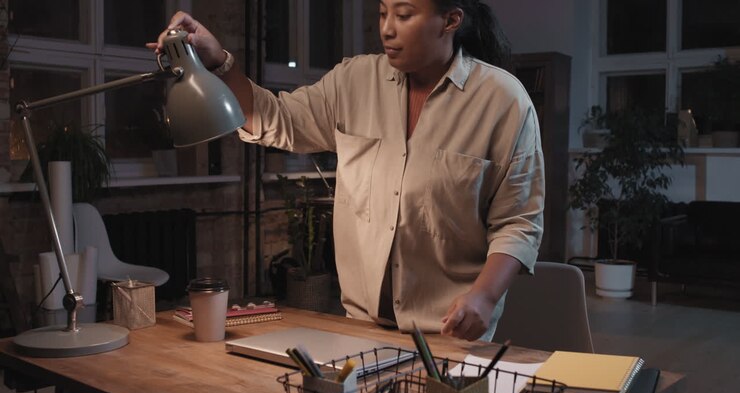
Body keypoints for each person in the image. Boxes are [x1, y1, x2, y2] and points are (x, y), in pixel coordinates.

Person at [149, 0, 544, 342]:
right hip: (359, 330)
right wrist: (218, 60)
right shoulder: (354, 81)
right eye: (383, 12)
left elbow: (519, 222)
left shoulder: (503, 102)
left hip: (449, 337)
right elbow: (276, 118)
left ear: (451, 20)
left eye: (404, 15)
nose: (387, 29)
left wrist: (484, 297)